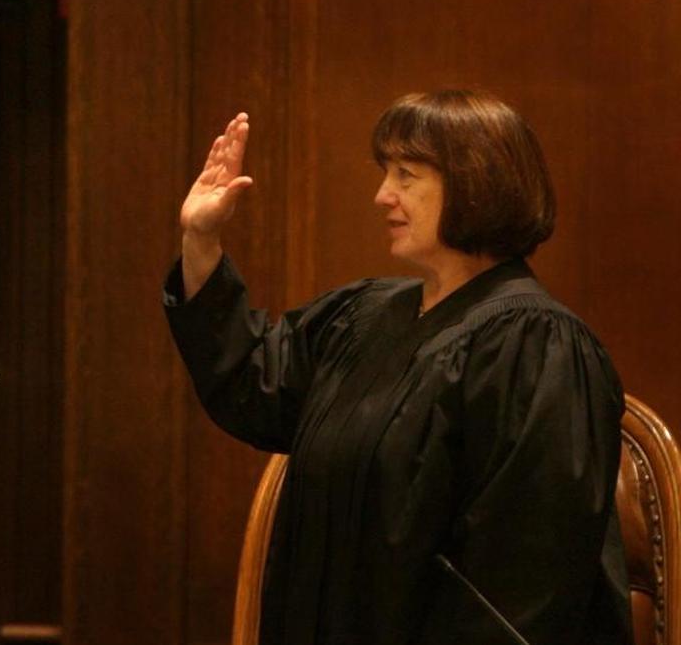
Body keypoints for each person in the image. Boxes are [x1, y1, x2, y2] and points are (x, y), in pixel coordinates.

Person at [164, 91, 631, 644]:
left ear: (477, 182)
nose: (383, 195)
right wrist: (202, 239)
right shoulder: (363, 316)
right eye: (386, 172)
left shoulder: (536, 346)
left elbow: (523, 587)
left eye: (406, 174)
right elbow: (251, 384)